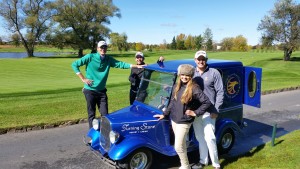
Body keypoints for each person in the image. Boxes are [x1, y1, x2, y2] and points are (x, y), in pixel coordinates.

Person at [71, 41, 144, 128]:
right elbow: (74, 65)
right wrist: (83, 78)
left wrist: (136, 66)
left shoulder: (108, 59)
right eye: (101, 47)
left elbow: (120, 64)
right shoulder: (90, 57)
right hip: (90, 90)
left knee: (105, 114)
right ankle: (93, 136)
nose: (103, 49)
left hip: (102, 91)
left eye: (105, 47)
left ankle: (105, 134)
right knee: (91, 114)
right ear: (97, 48)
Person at [153, 64, 211, 169]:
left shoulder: (194, 88)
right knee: (182, 144)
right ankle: (186, 165)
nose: (184, 77)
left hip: (184, 122)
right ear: (180, 75)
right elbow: (172, 102)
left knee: (178, 146)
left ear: (191, 76)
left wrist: (195, 112)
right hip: (174, 120)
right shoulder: (176, 86)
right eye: (182, 74)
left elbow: (206, 102)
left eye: (187, 75)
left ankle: (185, 166)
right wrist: (164, 114)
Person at [192, 51, 224, 169]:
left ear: (206, 60)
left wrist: (216, 110)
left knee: (210, 138)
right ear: (195, 60)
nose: (201, 61)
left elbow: (220, 92)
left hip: (210, 111)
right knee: (200, 138)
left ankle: (216, 164)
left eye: (203, 59)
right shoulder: (192, 72)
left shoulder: (214, 72)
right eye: (198, 59)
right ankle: (203, 161)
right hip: (195, 111)